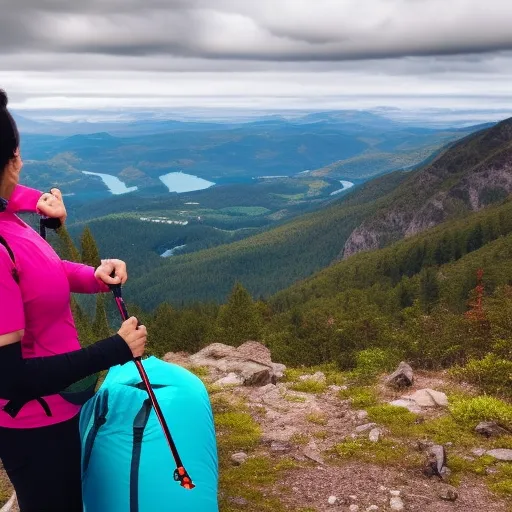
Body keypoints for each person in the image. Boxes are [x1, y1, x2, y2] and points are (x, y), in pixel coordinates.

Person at [0, 88, 147, 511]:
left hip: (59, 407)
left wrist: (95, 276)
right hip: (30, 422)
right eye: (17, 155)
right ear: (10, 161)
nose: (23, 163)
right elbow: (8, 379)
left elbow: (42, 273)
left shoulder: (9, 219)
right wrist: (114, 350)